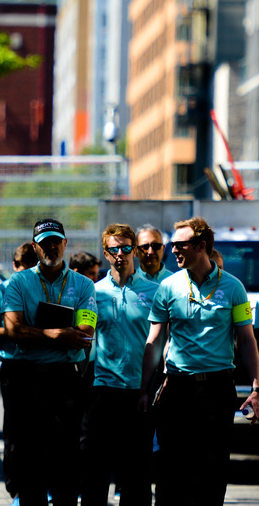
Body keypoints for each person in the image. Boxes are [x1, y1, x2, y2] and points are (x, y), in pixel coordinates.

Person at [139, 217, 259, 506]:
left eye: (180, 245)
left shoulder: (234, 288)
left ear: (201, 246)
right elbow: (154, 341)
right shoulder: (167, 287)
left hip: (217, 389)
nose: (173, 251)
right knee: (171, 468)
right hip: (177, 388)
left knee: (212, 469)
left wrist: (256, 388)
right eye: (172, 245)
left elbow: (246, 340)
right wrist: (144, 389)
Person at [1, 218, 97, 506]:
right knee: (30, 462)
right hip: (27, 379)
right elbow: (13, 331)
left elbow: (84, 334)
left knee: (66, 460)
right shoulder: (18, 282)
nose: (51, 247)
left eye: (56, 241)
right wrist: (56, 334)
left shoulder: (83, 285)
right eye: (44, 243)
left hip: (66, 379)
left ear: (65, 244)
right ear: (35, 247)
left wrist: (36, 334)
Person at [80, 224, 159, 506]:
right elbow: (84, 339)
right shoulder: (92, 291)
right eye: (114, 249)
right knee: (94, 474)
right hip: (103, 391)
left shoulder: (155, 291)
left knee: (136, 477)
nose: (121, 254)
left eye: (126, 248)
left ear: (135, 251)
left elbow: (166, 341)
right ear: (106, 253)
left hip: (140, 392)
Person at [0, 242, 38, 498]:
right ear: (15, 267)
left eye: (32, 268)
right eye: (22, 268)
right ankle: (14, 486)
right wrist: (16, 331)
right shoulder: (1, 292)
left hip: (40, 364)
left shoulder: (42, 290)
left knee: (41, 429)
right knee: (14, 429)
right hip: (13, 366)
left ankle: (38, 485)